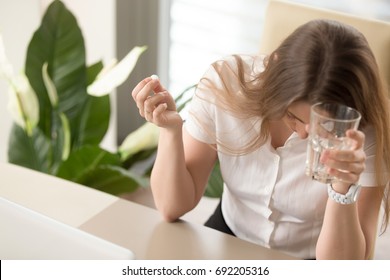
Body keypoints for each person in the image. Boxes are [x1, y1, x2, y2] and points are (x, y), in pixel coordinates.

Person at [131, 19, 390, 259]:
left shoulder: (365, 130)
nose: (302, 134)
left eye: (323, 127)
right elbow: (171, 207)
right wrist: (171, 131)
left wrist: (341, 188)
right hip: (229, 235)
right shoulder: (225, 84)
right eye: (293, 116)